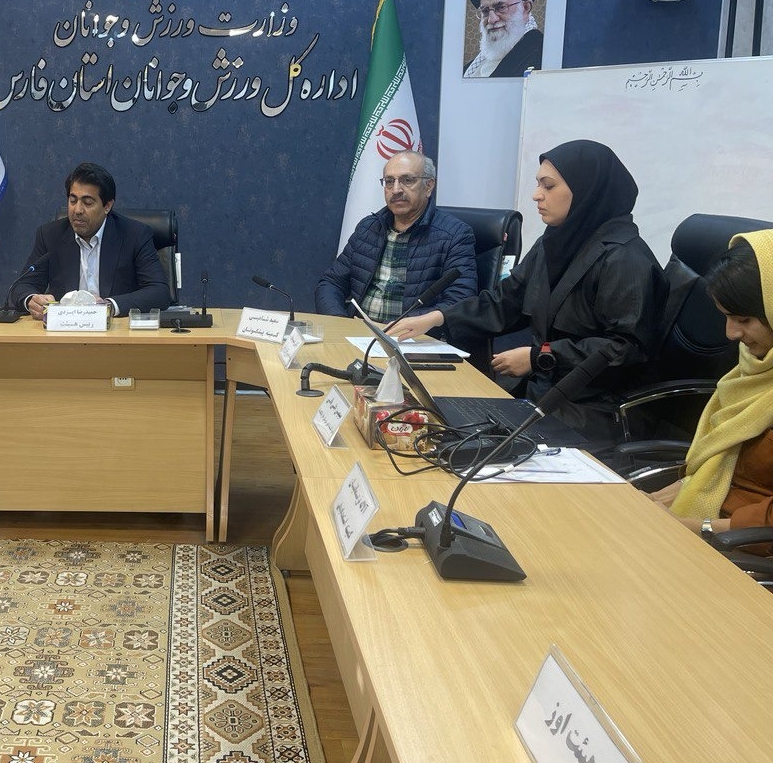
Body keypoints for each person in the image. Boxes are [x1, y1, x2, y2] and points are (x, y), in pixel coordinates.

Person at [391, 140, 667, 447]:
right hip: (546, 393)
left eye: (548, 186)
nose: (537, 195)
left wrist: (540, 357)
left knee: (465, 448)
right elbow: (505, 301)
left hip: (596, 410)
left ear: (586, 191)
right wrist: (436, 317)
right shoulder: (556, 242)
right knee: (439, 424)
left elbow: (624, 348)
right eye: (538, 185)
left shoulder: (625, 258)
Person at [649, 231, 773, 539]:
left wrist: (696, 528)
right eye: (727, 317)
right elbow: (721, 466)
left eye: (744, 320)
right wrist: (654, 500)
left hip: (743, 547)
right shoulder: (755, 368)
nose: (731, 333)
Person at [314, 151, 477, 324]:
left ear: (428, 186)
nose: (396, 189)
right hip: (356, 332)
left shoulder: (455, 235)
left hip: (412, 335)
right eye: (389, 181)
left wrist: (411, 325)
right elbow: (331, 283)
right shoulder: (368, 228)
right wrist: (340, 322)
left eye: (407, 180)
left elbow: (461, 300)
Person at [9, 162, 171, 320]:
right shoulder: (51, 235)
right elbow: (21, 286)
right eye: (73, 201)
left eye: (87, 203)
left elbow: (159, 292)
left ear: (107, 206)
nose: (77, 210)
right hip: (65, 331)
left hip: (116, 331)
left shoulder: (134, 235)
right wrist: (31, 300)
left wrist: (109, 306)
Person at [463, 0, 544, 78]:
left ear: (526, 8)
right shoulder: (472, 67)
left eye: (501, 7)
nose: (491, 19)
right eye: (485, 11)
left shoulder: (541, 54)